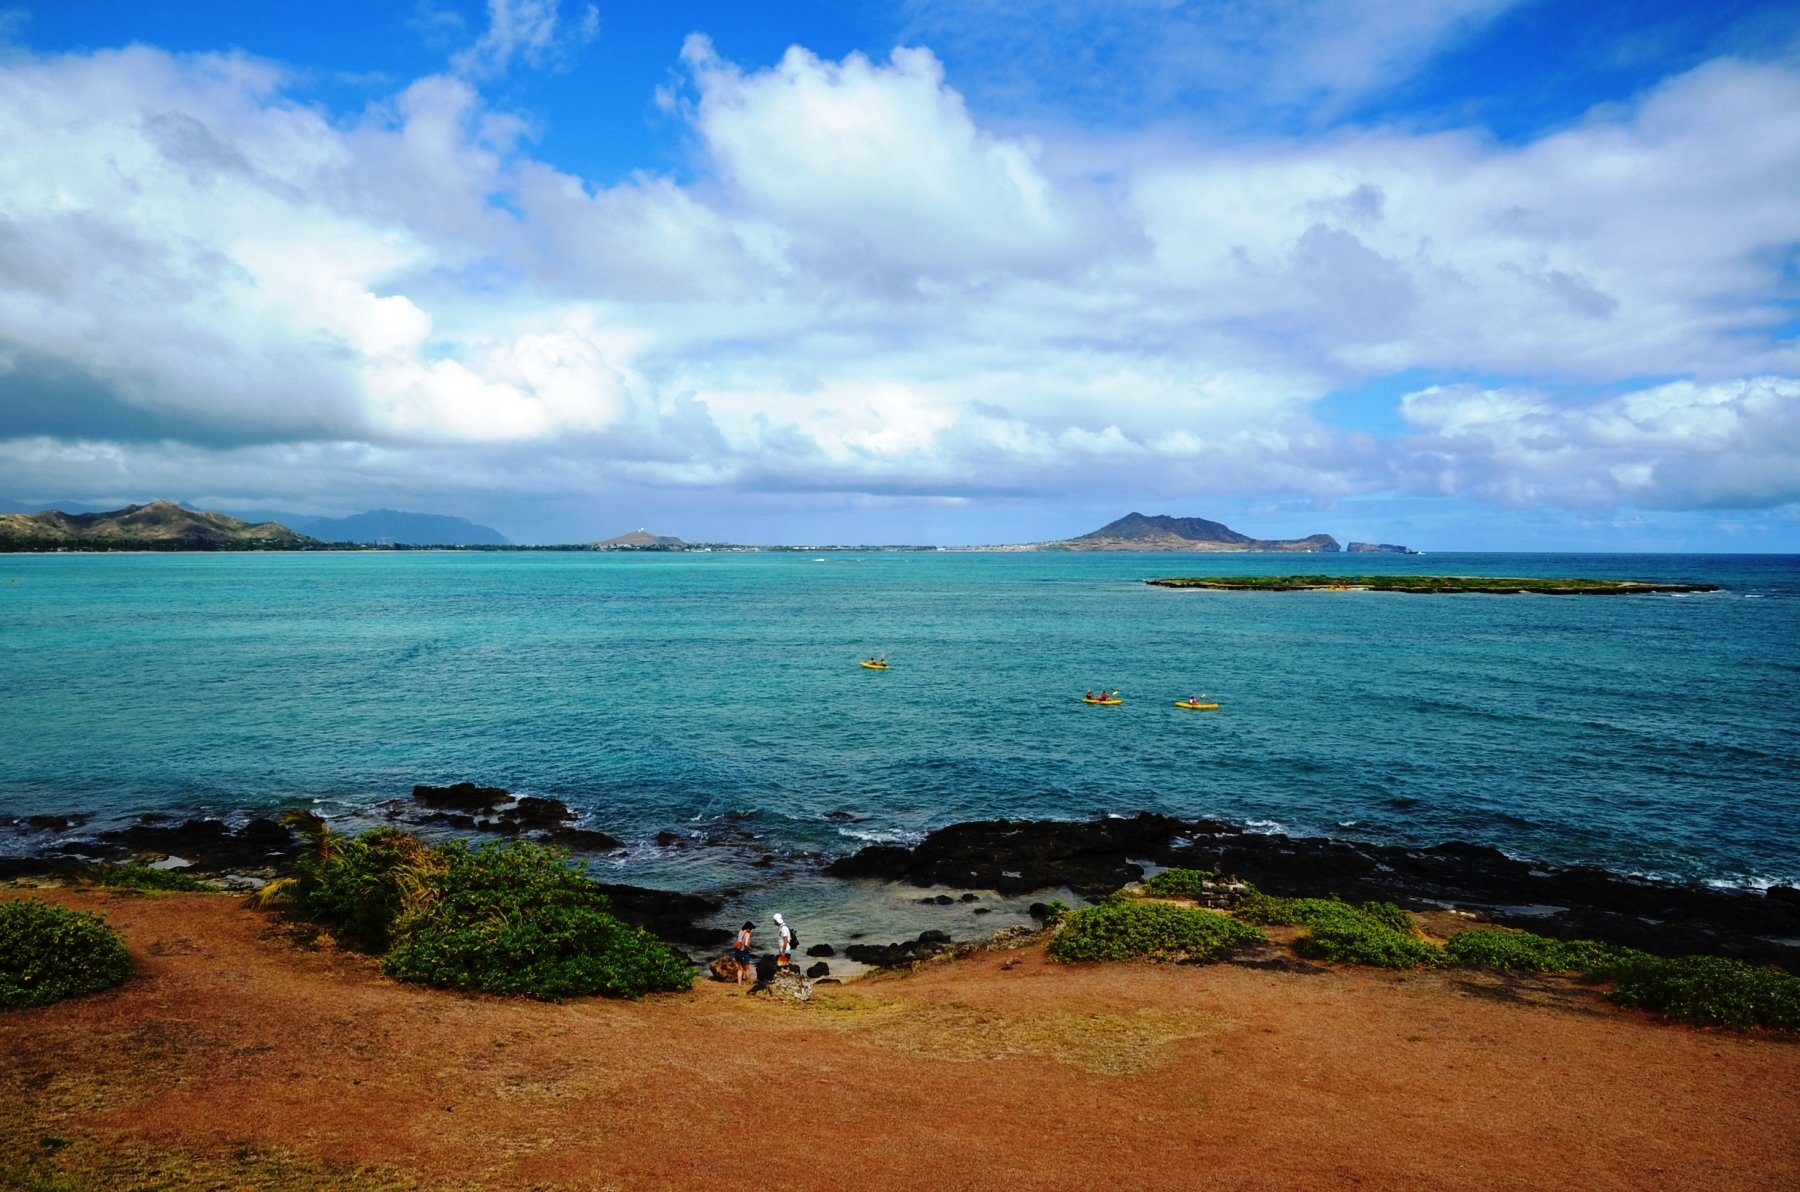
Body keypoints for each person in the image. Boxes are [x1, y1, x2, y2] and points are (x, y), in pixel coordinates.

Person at [731, 921, 754, 985]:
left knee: (740, 969)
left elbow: (739, 941)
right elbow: (746, 944)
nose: (751, 930)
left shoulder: (740, 931)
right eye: (751, 928)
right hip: (743, 953)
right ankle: (747, 983)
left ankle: (739, 983)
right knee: (747, 969)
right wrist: (750, 948)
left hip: (737, 952)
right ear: (748, 928)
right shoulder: (747, 934)